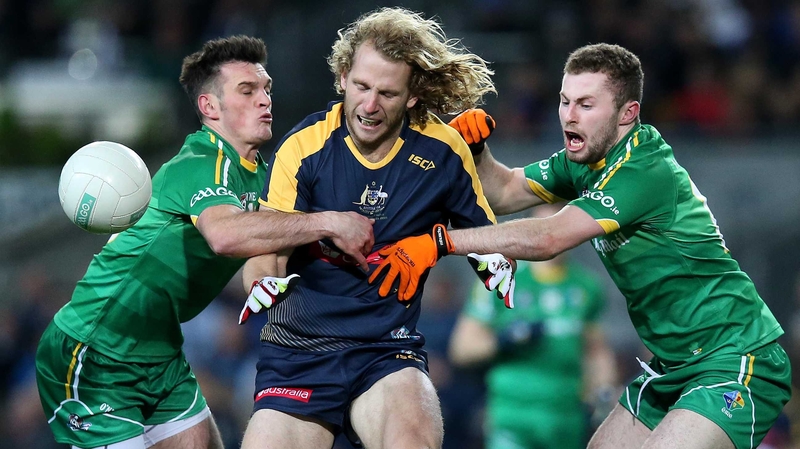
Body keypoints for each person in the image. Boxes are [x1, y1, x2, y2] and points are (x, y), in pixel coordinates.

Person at [381, 43, 792, 449]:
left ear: (627, 113)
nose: (569, 116)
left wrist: (440, 242)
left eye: (586, 105)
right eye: (565, 101)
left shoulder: (642, 170)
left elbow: (549, 237)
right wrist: (477, 152)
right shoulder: (584, 162)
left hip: (736, 358)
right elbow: (504, 191)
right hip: (675, 365)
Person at [35, 35, 374, 449]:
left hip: (159, 352)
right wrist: (329, 222)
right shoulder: (199, 163)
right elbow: (225, 236)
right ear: (209, 107)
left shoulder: (260, 173)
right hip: (94, 350)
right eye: (247, 91)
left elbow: (279, 234)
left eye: (266, 89)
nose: (265, 100)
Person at [237, 7, 504, 449]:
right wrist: (262, 280)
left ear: (413, 95)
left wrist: (482, 260)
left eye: (387, 92)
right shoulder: (303, 148)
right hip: (299, 351)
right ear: (342, 76)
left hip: (387, 350)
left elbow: (488, 241)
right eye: (360, 86)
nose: (369, 105)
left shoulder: (442, 151)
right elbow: (267, 250)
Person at [448, 203, 619, 449]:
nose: (550, 237)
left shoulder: (587, 286)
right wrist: (505, 339)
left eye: (560, 228)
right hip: (513, 415)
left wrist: (604, 391)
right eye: (540, 229)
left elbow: (595, 351)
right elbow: (462, 349)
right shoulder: (500, 278)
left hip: (566, 418)